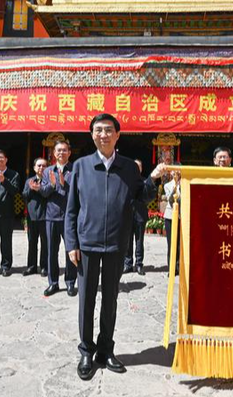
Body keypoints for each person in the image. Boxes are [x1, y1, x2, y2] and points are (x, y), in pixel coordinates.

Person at [65, 113, 165, 381]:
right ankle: (86, 350)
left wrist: (153, 179)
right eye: (98, 130)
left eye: (109, 130)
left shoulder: (129, 167)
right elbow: (71, 209)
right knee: (86, 301)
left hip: (116, 244)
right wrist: (71, 243)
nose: (103, 135)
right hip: (86, 244)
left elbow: (140, 196)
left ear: (118, 135)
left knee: (110, 300)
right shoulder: (82, 166)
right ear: (92, 135)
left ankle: (105, 350)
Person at [41, 140, 76, 296]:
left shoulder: (75, 169)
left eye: (64, 150)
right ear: (54, 153)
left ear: (69, 153)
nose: (61, 153)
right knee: (51, 252)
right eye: (58, 150)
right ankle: (53, 283)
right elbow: (43, 192)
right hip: (52, 216)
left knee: (71, 251)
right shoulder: (48, 171)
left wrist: (64, 185)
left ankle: (70, 283)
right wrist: (53, 185)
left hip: (70, 217)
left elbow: (79, 192)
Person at [22, 157, 49, 276]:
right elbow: (24, 195)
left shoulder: (49, 180)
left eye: (44, 166)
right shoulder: (29, 181)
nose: (41, 168)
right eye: (39, 165)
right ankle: (31, 267)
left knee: (45, 243)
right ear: (34, 168)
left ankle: (44, 267)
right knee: (32, 242)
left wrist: (40, 189)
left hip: (45, 216)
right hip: (32, 217)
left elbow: (49, 194)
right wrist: (32, 189)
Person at [124, 159, 150, 275]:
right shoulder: (126, 180)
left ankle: (139, 264)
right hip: (128, 215)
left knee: (139, 241)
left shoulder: (145, 181)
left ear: (141, 168)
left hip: (140, 215)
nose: (136, 168)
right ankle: (128, 264)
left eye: (138, 166)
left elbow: (148, 197)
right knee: (127, 241)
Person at [163, 170, 181, 275]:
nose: (176, 174)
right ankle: (172, 268)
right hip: (170, 216)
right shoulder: (167, 185)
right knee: (171, 243)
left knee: (179, 244)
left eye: (178, 172)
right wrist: (175, 186)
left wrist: (180, 185)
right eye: (174, 172)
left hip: (181, 216)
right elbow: (170, 199)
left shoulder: (184, 183)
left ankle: (179, 266)